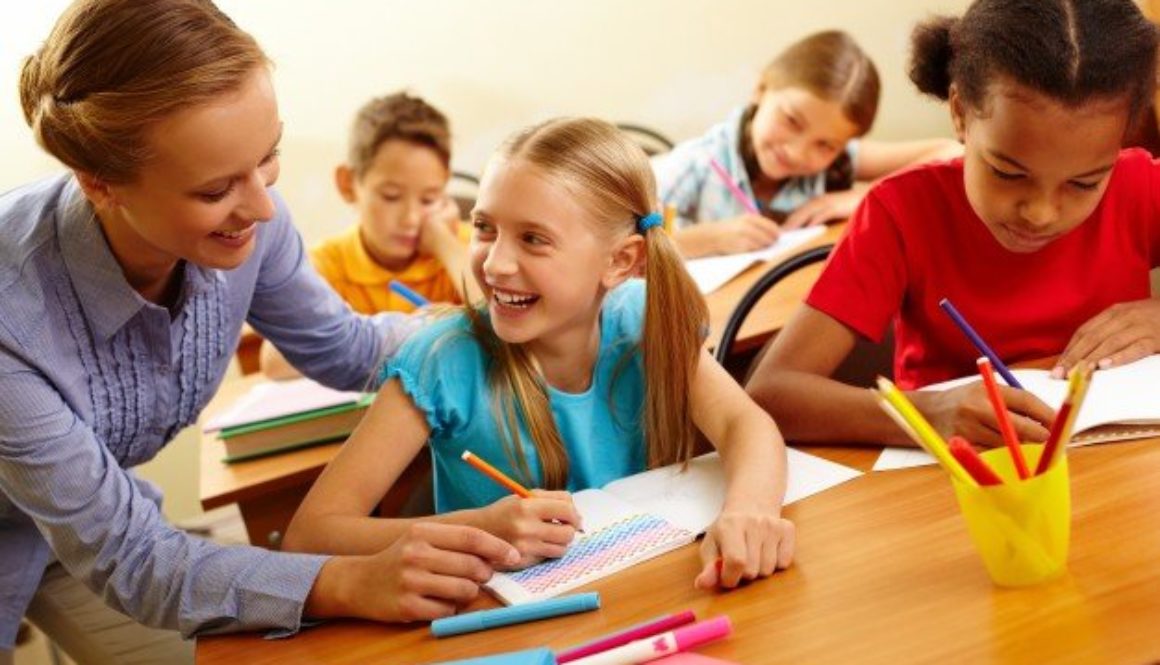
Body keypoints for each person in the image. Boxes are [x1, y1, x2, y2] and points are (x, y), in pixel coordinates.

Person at [0, 2, 520, 663]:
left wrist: (496, 320)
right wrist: (346, 577)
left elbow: (345, 347)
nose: (263, 206)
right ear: (100, 184)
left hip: (89, 526)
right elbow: (132, 557)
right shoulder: (11, 317)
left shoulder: (250, 219)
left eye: (267, 157)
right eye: (217, 188)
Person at [282, 118, 796, 590]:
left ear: (619, 261)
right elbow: (311, 533)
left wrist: (749, 511)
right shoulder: (441, 358)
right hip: (507, 621)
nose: (497, 263)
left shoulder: (645, 318)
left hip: (650, 587)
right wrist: (478, 527)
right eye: (485, 228)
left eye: (533, 239)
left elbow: (743, 425)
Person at [745, 0, 1160, 449]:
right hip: (954, 485)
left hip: (1117, 473)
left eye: (1083, 183)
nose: (1041, 212)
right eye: (1008, 173)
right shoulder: (901, 212)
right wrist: (930, 414)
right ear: (960, 112)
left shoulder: (1137, 186)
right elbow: (771, 393)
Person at [653, 30, 962, 258]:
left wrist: (863, 197)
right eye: (791, 121)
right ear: (761, 89)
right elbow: (618, 245)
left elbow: (952, 154)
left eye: (825, 145)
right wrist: (709, 240)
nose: (798, 152)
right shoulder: (699, 162)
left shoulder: (838, 161)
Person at [259, 92, 475, 379]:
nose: (410, 218)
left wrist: (446, 245)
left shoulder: (464, 249)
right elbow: (274, 363)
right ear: (348, 184)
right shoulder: (329, 263)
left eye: (428, 199)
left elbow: (505, 322)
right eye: (391, 196)